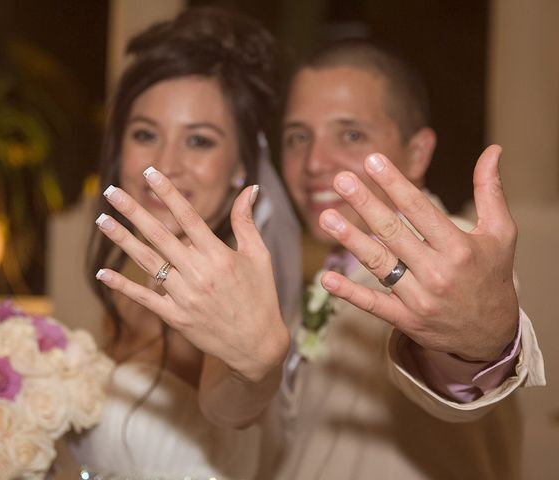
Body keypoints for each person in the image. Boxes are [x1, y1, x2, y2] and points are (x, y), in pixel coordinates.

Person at [275, 39, 546, 479]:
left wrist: (476, 349)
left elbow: (467, 334)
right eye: (297, 136)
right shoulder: (330, 264)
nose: (313, 162)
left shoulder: (452, 255)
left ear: (417, 152)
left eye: (350, 134)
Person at [70, 8, 301, 480]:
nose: (164, 164)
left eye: (199, 141)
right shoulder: (129, 280)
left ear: (241, 166)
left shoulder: (232, 295)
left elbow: (236, 401)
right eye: (145, 134)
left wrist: (253, 367)